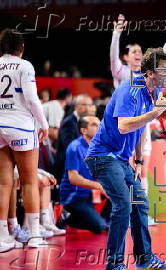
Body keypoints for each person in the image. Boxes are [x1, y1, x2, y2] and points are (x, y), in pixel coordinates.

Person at [85, 48, 166, 270]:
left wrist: (139, 158)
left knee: (140, 203)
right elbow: (125, 126)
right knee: (123, 203)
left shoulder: (150, 91)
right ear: (151, 72)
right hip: (102, 156)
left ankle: (144, 259)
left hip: (122, 159)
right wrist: (155, 114)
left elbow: (140, 128)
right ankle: (113, 266)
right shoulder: (130, 89)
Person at [110, 13, 166, 226]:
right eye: (134, 51)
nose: (138, 53)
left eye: (140, 51)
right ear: (126, 58)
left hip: (143, 127)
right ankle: (127, 214)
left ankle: (142, 214)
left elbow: (163, 58)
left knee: (142, 170)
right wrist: (116, 33)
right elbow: (113, 56)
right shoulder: (121, 73)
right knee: (126, 172)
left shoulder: (150, 76)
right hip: (123, 127)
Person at [0, 28, 49, 250]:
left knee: (3, 182)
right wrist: (44, 124)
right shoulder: (25, 65)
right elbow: (31, 98)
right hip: (20, 125)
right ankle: (35, 234)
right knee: (29, 180)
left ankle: (3, 235)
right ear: (22, 47)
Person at [59, 116, 107, 233]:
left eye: (100, 124)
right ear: (84, 130)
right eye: (94, 125)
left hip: (90, 194)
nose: (100, 127)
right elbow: (73, 178)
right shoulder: (75, 147)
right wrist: (98, 186)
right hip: (74, 197)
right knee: (99, 227)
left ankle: (105, 220)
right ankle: (66, 216)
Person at [54, 94, 94, 182]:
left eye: (90, 105)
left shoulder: (86, 121)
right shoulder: (69, 123)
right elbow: (70, 147)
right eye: (84, 105)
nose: (88, 108)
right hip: (67, 168)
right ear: (76, 106)